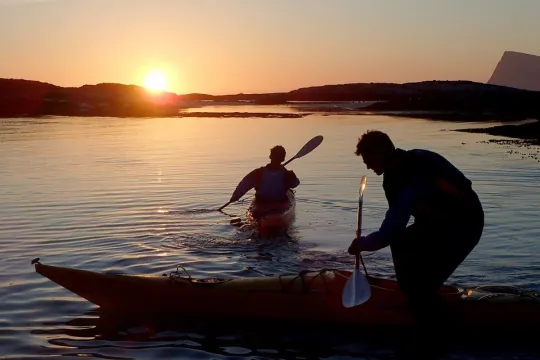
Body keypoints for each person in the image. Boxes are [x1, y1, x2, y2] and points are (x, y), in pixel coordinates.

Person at [348, 130, 484, 320]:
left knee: (421, 288)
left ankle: (432, 314)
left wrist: (363, 244)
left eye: (368, 159)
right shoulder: (411, 159)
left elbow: (392, 230)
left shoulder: (404, 174)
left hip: (463, 225)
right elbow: (400, 223)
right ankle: (414, 294)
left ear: (380, 153)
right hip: (443, 223)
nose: (367, 166)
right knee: (403, 244)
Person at [229, 145, 300, 204]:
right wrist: (293, 177)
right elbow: (295, 184)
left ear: (270, 156)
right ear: (283, 159)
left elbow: (245, 184)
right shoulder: (287, 174)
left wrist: (235, 196)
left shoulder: (258, 172)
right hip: (279, 202)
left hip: (261, 202)